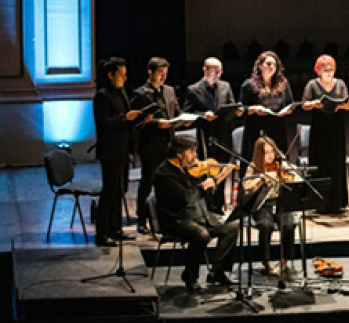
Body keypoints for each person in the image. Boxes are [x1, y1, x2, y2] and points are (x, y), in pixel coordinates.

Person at [152, 136, 239, 293]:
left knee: (232, 226)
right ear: (179, 154)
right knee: (201, 235)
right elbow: (185, 197)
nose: (195, 156)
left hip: (198, 216)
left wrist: (218, 177)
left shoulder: (185, 169)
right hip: (176, 220)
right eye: (191, 152)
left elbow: (198, 189)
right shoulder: (164, 174)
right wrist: (202, 186)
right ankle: (190, 277)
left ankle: (217, 271)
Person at [92, 57, 142, 247]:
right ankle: (102, 233)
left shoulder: (122, 93)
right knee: (110, 191)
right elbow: (104, 123)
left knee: (120, 190)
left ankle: (116, 229)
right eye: (121, 75)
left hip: (122, 149)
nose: (124, 78)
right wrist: (124, 118)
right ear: (110, 75)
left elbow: (126, 118)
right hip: (110, 150)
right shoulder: (102, 96)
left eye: (125, 74)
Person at [182, 57, 242, 213]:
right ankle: (207, 207)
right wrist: (203, 115)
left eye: (220, 71)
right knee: (207, 171)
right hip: (205, 136)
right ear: (205, 70)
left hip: (223, 135)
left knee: (222, 170)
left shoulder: (225, 86)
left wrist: (236, 111)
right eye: (214, 70)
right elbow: (186, 116)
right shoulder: (193, 89)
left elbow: (231, 106)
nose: (218, 74)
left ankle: (219, 206)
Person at [131, 57, 182, 234]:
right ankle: (141, 218)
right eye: (160, 73)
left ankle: (164, 217)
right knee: (147, 181)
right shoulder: (141, 93)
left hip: (168, 142)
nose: (163, 77)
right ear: (150, 73)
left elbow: (176, 112)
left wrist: (181, 121)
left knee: (168, 181)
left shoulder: (169, 91)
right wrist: (154, 124)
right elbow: (136, 123)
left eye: (165, 74)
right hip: (150, 143)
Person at [301, 54, 349, 214]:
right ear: (318, 71)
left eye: (331, 69)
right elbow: (304, 105)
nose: (329, 72)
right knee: (321, 162)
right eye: (325, 69)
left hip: (336, 126)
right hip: (320, 127)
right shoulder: (312, 84)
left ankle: (337, 201)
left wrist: (343, 106)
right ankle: (319, 202)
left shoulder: (341, 84)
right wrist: (314, 104)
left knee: (336, 162)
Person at [243, 137, 298, 278]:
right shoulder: (253, 167)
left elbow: (297, 179)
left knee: (289, 224)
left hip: (281, 203)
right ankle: (266, 262)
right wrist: (262, 177)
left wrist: (288, 173)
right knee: (265, 225)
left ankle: (284, 260)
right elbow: (246, 187)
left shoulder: (280, 165)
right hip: (262, 204)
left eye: (272, 152)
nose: (270, 156)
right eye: (266, 152)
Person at [239, 51, 295, 167]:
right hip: (256, 127)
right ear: (260, 65)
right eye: (268, 64)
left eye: (274, 65)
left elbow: (291, 105)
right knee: (255, 161)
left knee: (278, 161)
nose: (272, 67)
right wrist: (253, 108)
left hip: (277, 127)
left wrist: (286, 111)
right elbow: (240, 109)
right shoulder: (249, 84)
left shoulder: (283, 83)